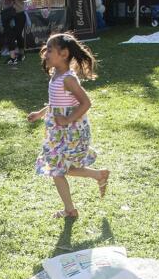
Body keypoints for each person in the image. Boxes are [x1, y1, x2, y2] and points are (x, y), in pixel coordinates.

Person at [30, 32, 109, 220]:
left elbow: (86, 103)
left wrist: (67, 120)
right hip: (59, 133)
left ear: (64, 54)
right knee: (59, 168)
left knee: (57, 169)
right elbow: (55, 103)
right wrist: (40, 113)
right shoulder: (56, 74)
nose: (45, 53)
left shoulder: (68, 79)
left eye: (49, 50)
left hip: (71, 132)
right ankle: (99, 175)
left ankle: (69, 210)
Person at [0, 0, 27, 66]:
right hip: (6, 13)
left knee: (17, 34)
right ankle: (12, 57)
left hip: (18, 13)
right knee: (9, 35)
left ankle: (21, 54)